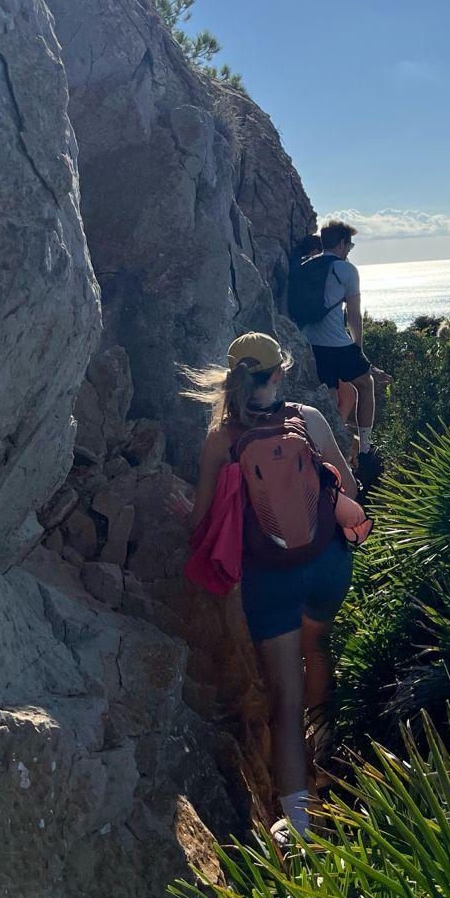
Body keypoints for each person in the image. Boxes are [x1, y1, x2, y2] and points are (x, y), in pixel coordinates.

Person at [181, 332, 358, 843]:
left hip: (269, 577)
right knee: (318, 649)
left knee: (283, 698)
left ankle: (299, 827)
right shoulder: (310, 419)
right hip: (327, 563)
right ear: (279, 372)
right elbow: (346, 486)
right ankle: (325, 759)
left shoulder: (222, 439)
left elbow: (200, 520)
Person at [291, 219, 385, 480]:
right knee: (365, 384)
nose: (349, 249)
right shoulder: (345, 269)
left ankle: (329, 452)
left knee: (331, 400)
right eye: (349, 245)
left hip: (310, 344)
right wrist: (359, 349)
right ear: (342, 243)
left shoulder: (306, 266)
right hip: (337, 344)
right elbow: (354, 315)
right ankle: (365, 448)